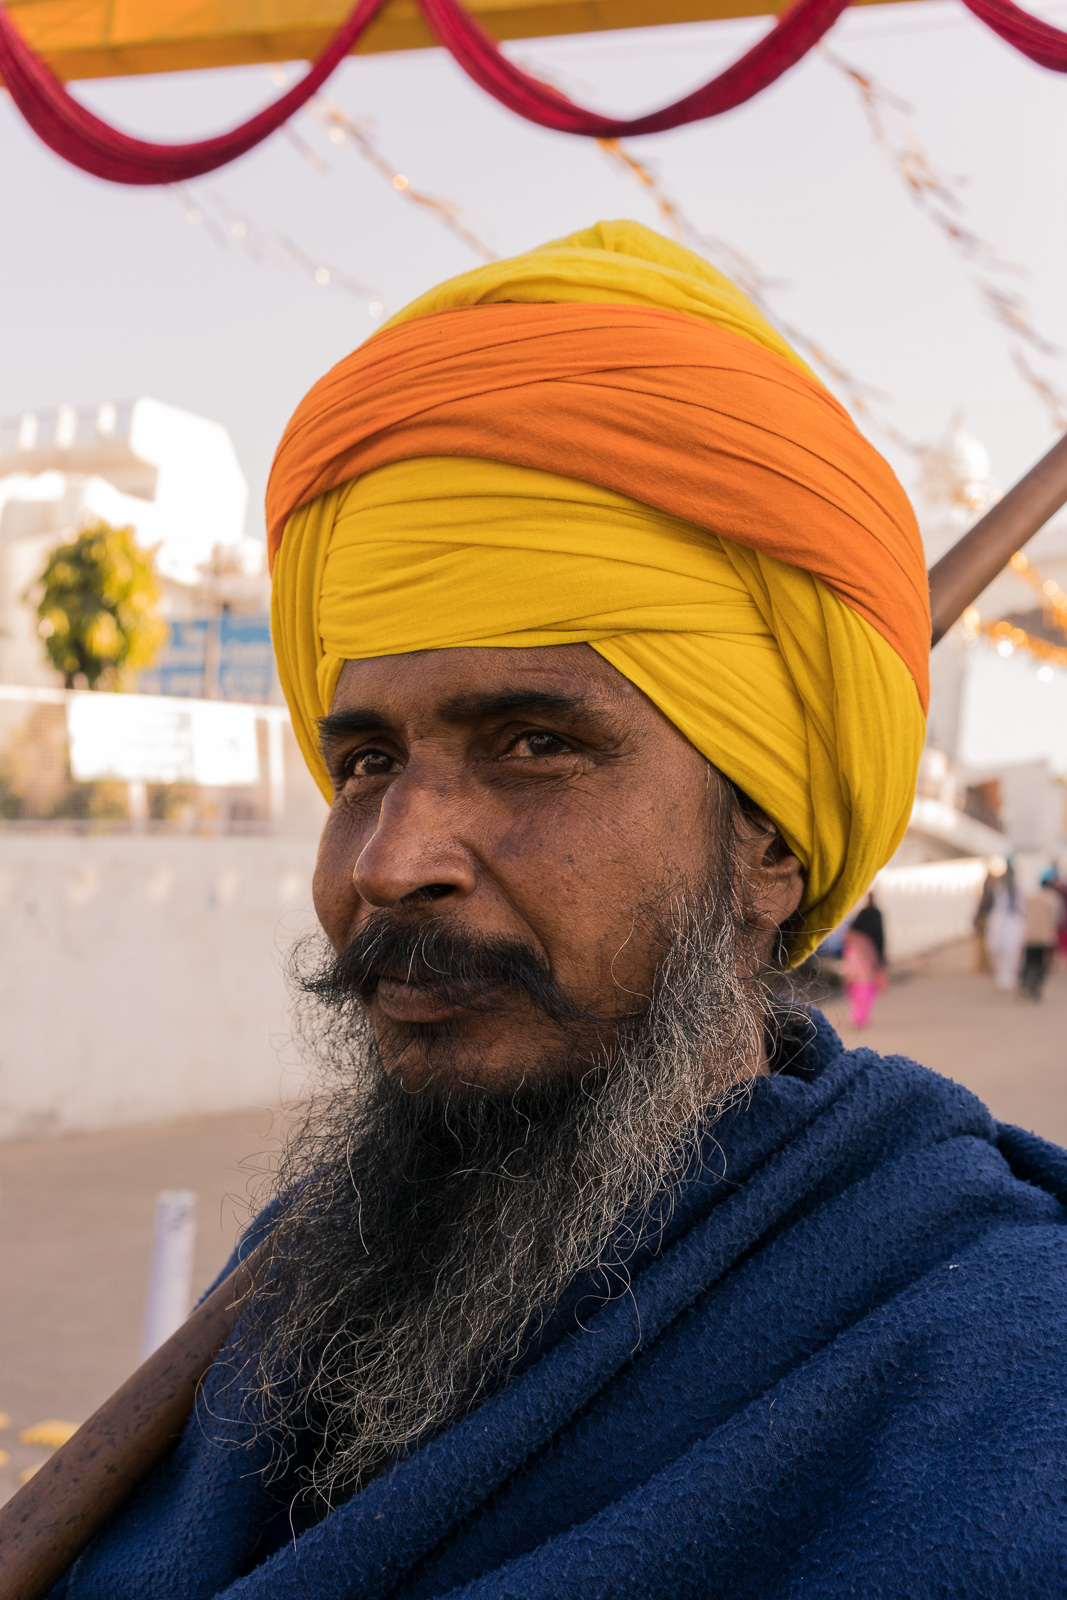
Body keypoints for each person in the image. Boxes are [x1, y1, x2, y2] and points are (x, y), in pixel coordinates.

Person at [53, 224, 1067, 1598]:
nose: (390, 858)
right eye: (365, 762)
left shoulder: (996, 1377)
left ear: (765, 842)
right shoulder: (311, 1265)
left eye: (532, 742)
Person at [841, 892, 887, 1028]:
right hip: (861, 960)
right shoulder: (866, 914)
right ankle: (858, 1018)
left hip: (867, 959)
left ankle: (861, 1018)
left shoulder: (875, 914)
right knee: (861, 989)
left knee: (867, 989)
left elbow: (880, 937)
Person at [1020, 870, 1065, 1001]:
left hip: (1030, 936)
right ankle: (1036, 989)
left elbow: (1023, 914)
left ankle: (1025, 985)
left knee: (1029, 962)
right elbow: (1059, 919)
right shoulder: (1055, 900)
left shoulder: (1030, 898)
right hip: (1046, 937)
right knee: (1042, 965)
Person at [985, 860, 1025, 992]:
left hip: (1014, 920)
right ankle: (1002, 978)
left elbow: (1021, 905)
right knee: (998, 948)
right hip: (1000, 919)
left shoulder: (1018, 886)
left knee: (1012, 950)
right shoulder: (999, 886)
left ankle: (1009, 978)